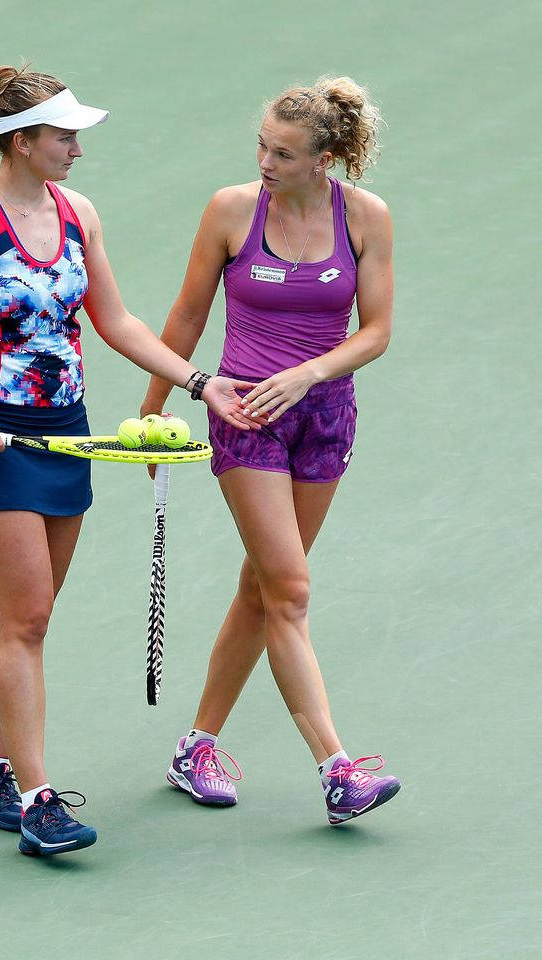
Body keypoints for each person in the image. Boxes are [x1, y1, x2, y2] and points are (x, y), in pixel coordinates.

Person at [0, 64, 256, 857]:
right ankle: (37, 797)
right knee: (29, 617)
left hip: (66, 431)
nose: (77, 150)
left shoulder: (78, 213)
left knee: (29, 616)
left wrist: (197, 382)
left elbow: (114, 319)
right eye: (63, 136)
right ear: (20, 143)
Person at [139, 77, 401, 825]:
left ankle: (196, 747)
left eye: (282, 153)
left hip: (325, 416)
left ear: (325, 159)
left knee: (263, 587)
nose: (264, 160)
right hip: (246, 415)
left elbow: (375, 330)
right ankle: (337, 769)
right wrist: (155, 411)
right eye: (261, 144)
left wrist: (309, 375)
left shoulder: (366, 218)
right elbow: (189, 311)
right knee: (290, 589)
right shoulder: (230, 211)